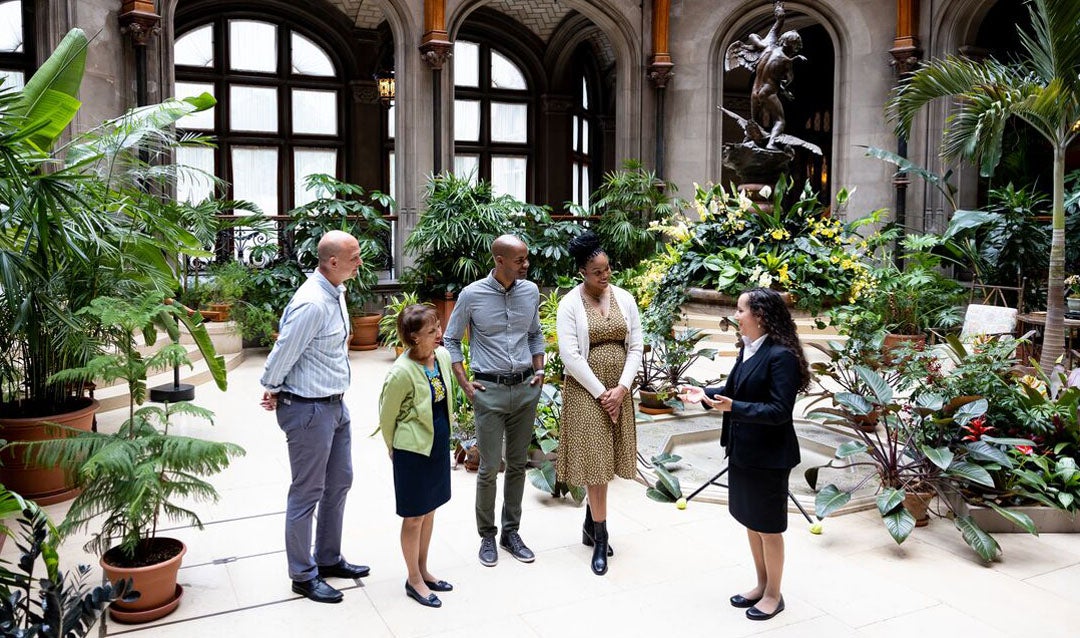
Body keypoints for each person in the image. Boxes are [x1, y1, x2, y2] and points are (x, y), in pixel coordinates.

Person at [259, 229, 370, 604]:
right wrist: (272, 386)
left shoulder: (334, 292)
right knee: (307, 491)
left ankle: (327, 558)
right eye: (354, 257)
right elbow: (284, 349)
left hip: (335, 404)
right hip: (308, 408)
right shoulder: (312, 303)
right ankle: (302, 575)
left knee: (340, 482)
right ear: (333, 261)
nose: (360, 262)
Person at [688, 287, 810, 621]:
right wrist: (704, 393)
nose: (736, 315)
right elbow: (733, 391)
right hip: (743, 449)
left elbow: (780, 411)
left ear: (760, 315)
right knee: (752, 522)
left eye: (740, 310)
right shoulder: (749, 349)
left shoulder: (780, 355)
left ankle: (774, 594)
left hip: (770, 455)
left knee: (769, 527)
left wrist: (734, 407)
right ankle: (760, 584)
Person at [443, 234, 546, 567]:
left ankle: (510, 532)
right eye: (520, 260)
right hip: (489, 391)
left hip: (525, 389)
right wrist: (463, 382)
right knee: (489, 468)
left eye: (526, 259)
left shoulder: (530, 291)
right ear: (499, 260)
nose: (526, 265)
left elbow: (534, 332)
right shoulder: (471, 295)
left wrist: (540, 369)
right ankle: (486, 535)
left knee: (517, 465)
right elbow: (451, 339)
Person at [555, 231, 643, 576]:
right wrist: (602, 393)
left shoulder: (625, 298)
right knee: (595, 463)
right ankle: (601, 537)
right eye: (597, 272)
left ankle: (591, 525)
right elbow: (570, 356)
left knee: (609, 460)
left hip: (618, 389)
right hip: (585, 391)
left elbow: (635, 345)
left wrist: (621, 388)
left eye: (607, 269)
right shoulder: (569, 304)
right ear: (582, 272)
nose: (605, 276)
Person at [378, 304, 455, 609]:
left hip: (437, 443)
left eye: (438, 327)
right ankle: (413, 579)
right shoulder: (400, 371)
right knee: (414, 516)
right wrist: (392, 449)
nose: (439, 334)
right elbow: (387, 415)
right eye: (431, 331)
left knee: (430, 510)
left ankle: (424, 570)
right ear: (412, 338)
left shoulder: (443, 357)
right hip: (412, 449)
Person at [725, 1, 805, 148]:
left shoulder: (767, 46)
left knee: (753, 122)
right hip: (768, 92)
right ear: (791, 46)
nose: (796, 51)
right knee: (780, 121)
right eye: (796, 48)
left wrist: (779, 14)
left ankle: (747, 142)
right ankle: (772, 143)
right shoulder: (787, 61)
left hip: (755, 91)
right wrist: (786, 85)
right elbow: (789, 80)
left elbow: (756, 33)